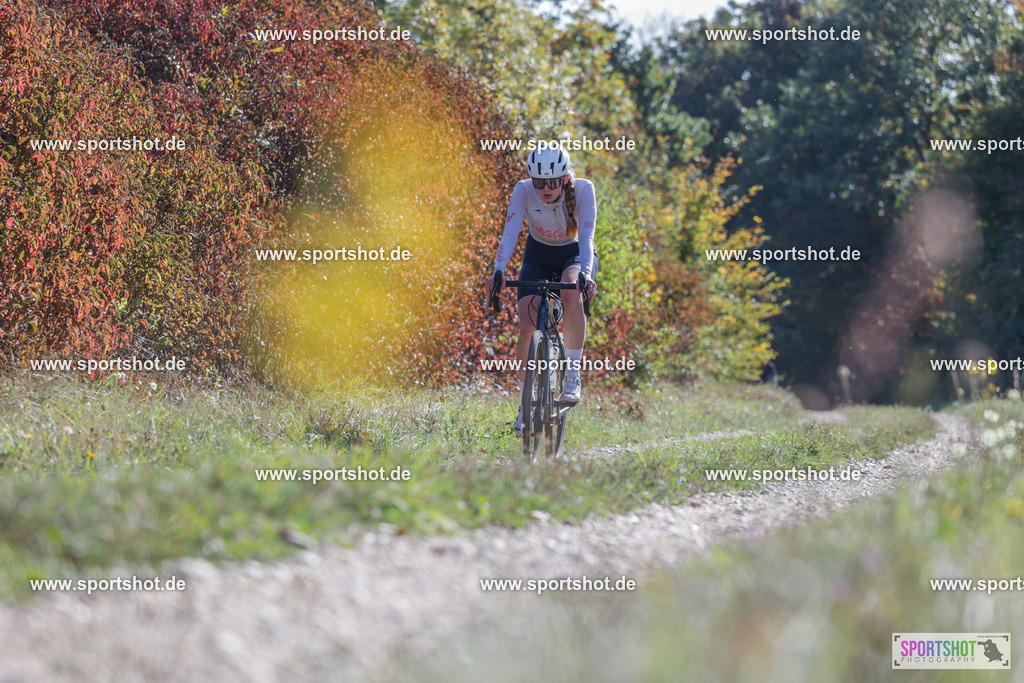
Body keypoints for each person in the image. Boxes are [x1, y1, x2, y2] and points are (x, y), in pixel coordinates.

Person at [485, 146, 597, 436]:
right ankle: (526, 404)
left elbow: (586, 238)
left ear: (564, 178)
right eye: (539, 182)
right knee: (527, 327)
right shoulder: (523, 190)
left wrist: (585, 275)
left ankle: (571, 375)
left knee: (571, 292)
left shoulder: (583, 190)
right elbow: (510, 233)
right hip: (538, 255)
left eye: (552, 181)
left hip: (574, 254)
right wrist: (498, 271)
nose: (545, 188)